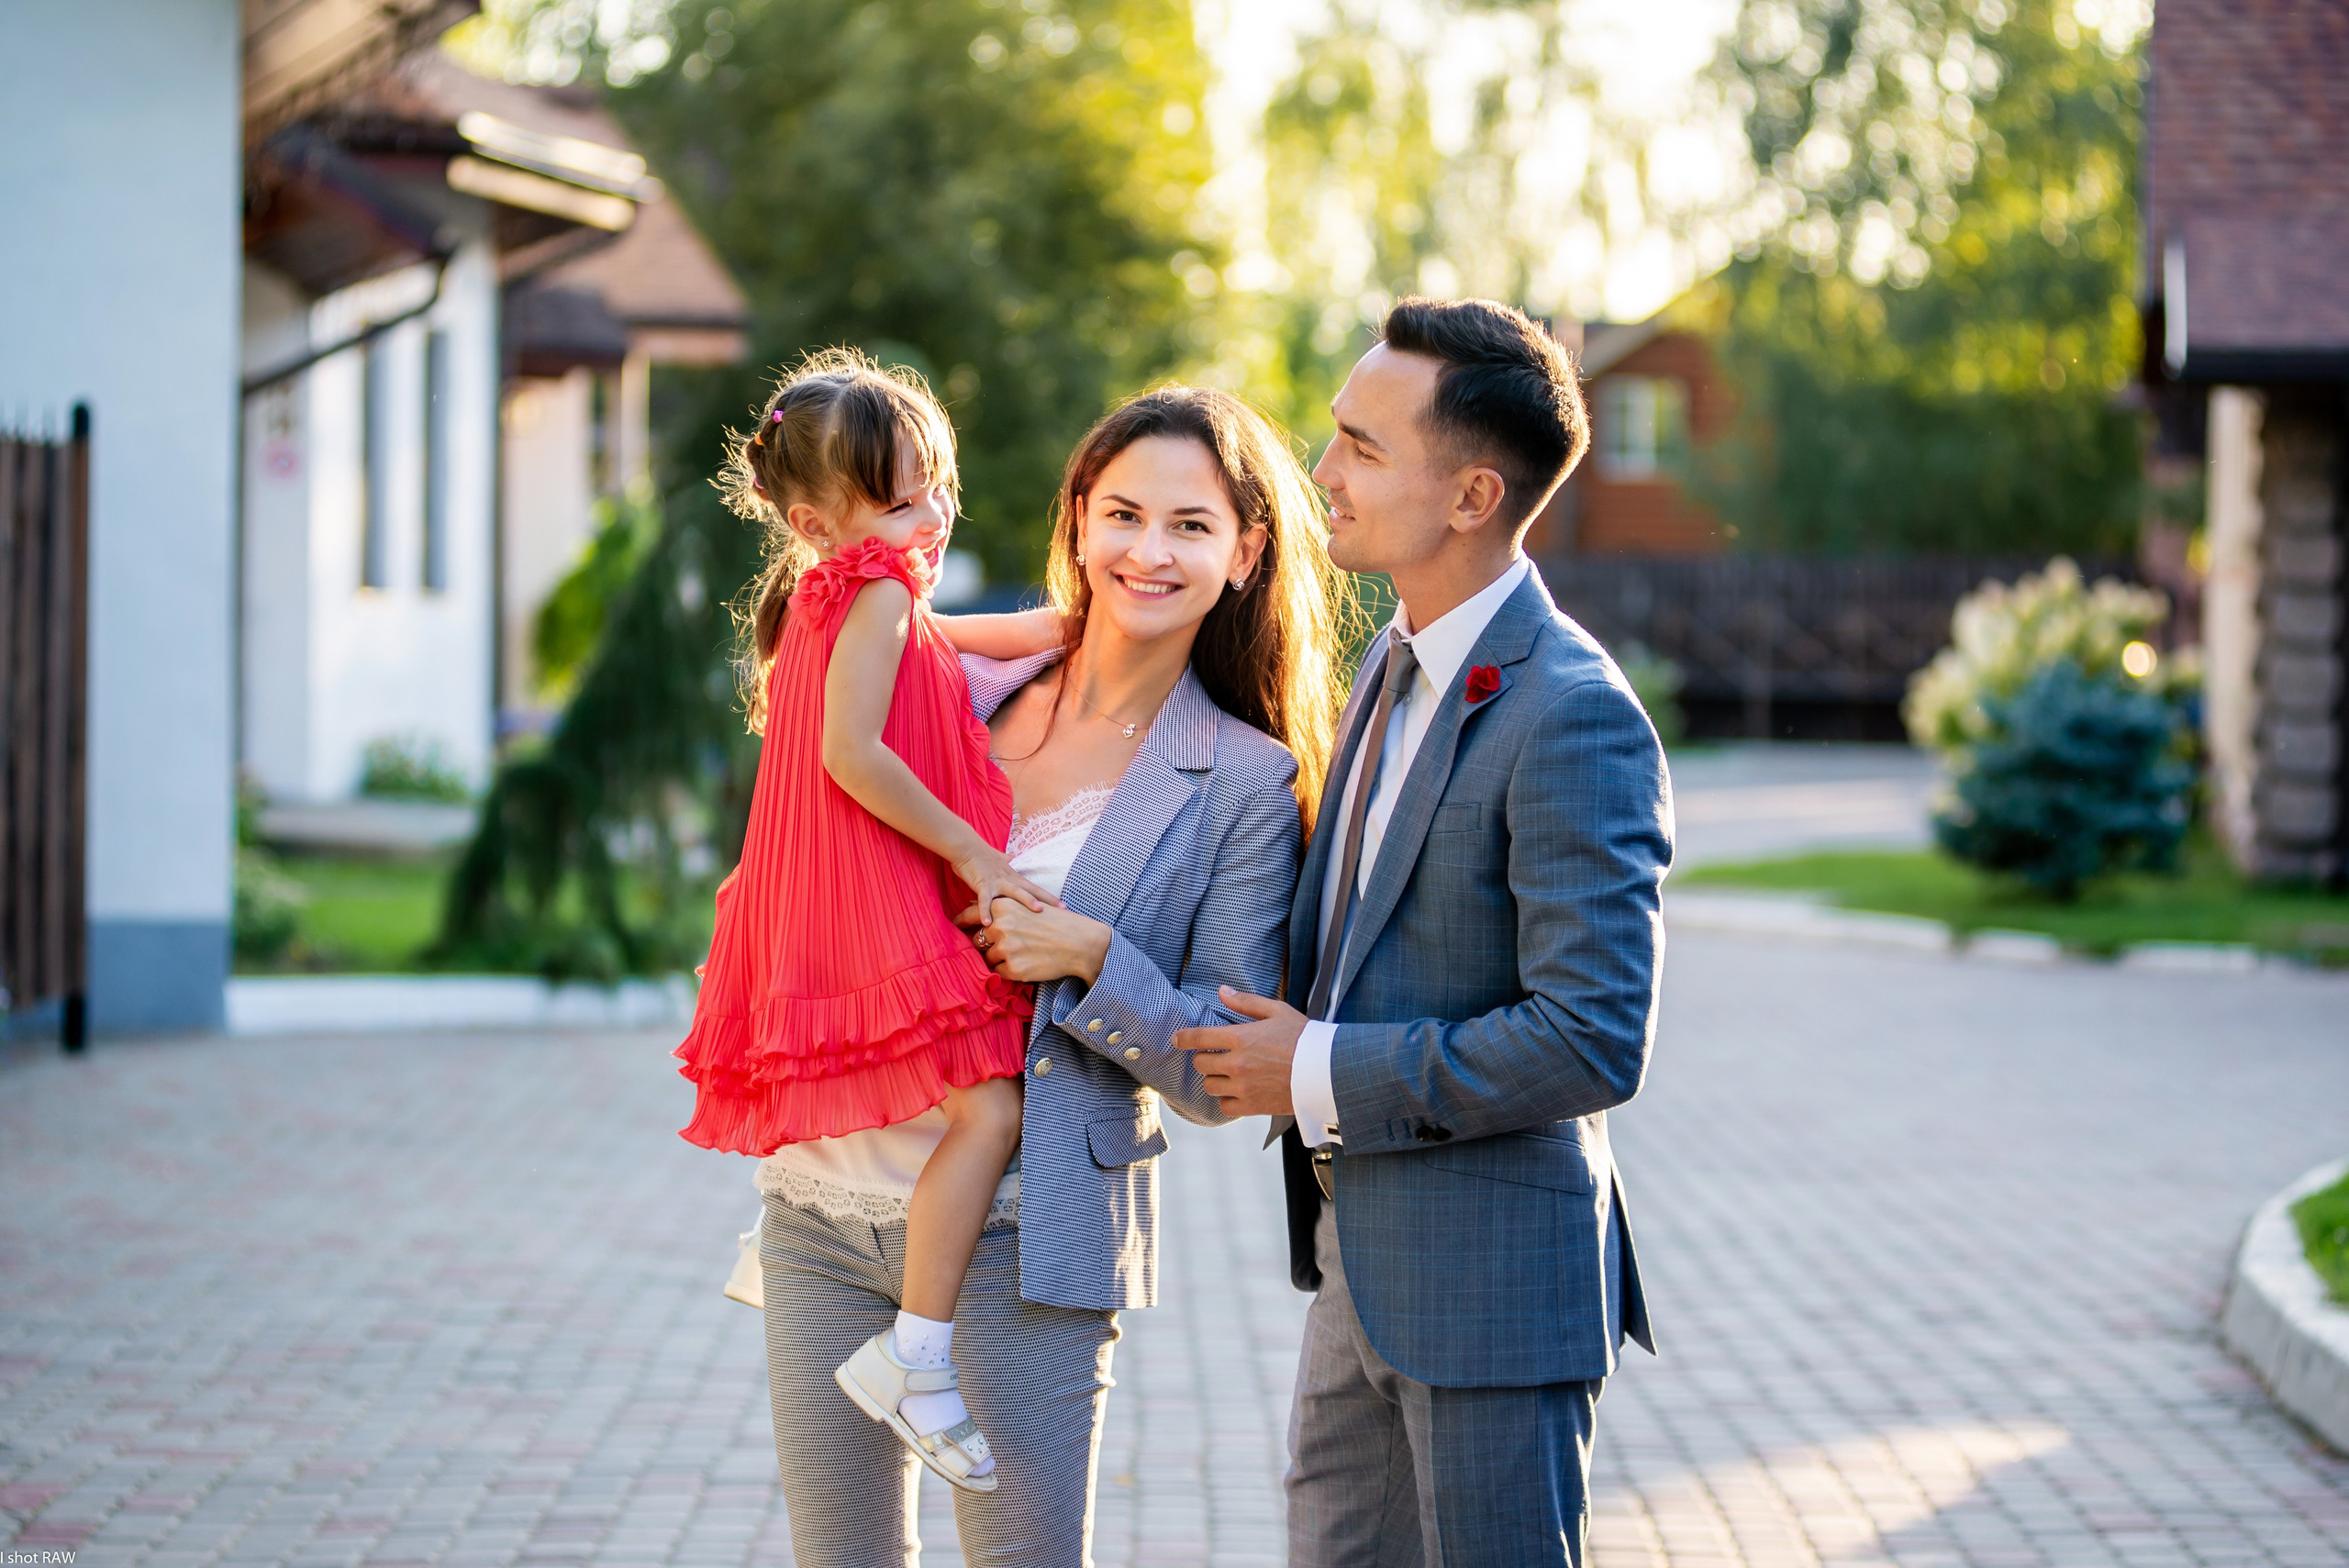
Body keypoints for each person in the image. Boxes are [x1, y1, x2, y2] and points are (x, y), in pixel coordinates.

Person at [747, 384, 1345, 1567]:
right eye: (1122, 513)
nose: (1149, 549)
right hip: (821, 1199)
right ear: (1077, 521)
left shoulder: (1240, 780)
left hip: (1029, 1229)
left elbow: (1221, 1075)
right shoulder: (954, 681)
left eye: (1190, 524)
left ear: (1244, 552)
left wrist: (1095, 958)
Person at [1176, 298, 1674, 1568]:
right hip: (1361, 1269)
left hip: (1498, 1290)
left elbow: (1592, 1037)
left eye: (1361, 446)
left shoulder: (1572, 714)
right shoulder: (1387, 671)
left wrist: (1318, 1070)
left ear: (1471, 496)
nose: (1324, 473)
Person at [674, 349, 1058, 1493]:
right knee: (987, 1109)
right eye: (902, 497)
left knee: (958, 1099)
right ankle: (917, 1355)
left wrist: (1063, 624)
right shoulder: (877, 588)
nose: (933, 511)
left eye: (937, 481)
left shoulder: (834, 591)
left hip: (812, 897)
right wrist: (975, 850)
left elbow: (952, 642)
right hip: (862, 892)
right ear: (815, 516)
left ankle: (835, 1272)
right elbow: (853, 751)